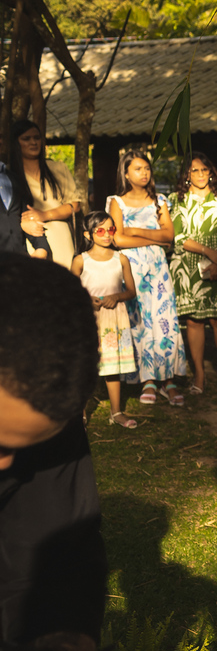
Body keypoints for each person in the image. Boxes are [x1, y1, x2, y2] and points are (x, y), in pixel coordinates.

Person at [0, 253, 107, 651]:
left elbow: (61, 544)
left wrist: (68, 634)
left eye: (23, 447)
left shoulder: (47, 401)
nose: (6, 465)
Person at [108, 151, 187, 408]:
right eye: (138, 168)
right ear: (126, 173)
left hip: (157, 268)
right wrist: (153, 235)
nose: (144, 173)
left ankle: (168, 378)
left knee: (164, 320)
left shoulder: (159, 200)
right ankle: (147, 379)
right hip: (131, 268)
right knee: (139, 321)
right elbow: (117, 239)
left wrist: (134, 231)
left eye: (147, 168)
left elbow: (169, 236)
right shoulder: (116, 202)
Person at [168, 153, 217, 399]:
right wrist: (209, 252)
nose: (199, 175)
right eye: (194, 170)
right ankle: (199, 374)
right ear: (187, 174)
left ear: (211, 172)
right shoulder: (176, 200)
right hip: (188, 268)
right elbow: (178, 237)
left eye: (203, 170)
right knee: (195, 322)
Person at [71, 211, 137, 429]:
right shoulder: (81, 260)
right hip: (88, 320)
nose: (107, 234)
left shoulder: (121, 259)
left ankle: (116, 411)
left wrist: (116, 296)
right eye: (100, 230)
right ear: (88, 234)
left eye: (111, 229)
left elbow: (131, 291)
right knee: (85, 365)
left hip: (114, 319)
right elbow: (70, 290)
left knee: (113, 366)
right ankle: (79, 413)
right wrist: (85, 300)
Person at [12, 120, 81, 267]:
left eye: (37, 138)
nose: (33, 142)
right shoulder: (10, 174)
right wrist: (22, 223)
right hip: (31, 238)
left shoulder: (58, 168)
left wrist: (44, 215)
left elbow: (75, 205)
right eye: (26, 138)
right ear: (16, 143)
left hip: (61, 239)